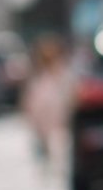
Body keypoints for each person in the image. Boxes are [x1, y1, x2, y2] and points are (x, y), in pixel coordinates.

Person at [21, 35, 74, 179]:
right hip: (41, 113)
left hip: (56, 113)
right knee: (43, 143)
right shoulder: (37, 73)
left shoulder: (61, 72)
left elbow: (68, 93)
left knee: (59, 143)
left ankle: (58, 169)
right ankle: (47, 168)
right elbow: (29, 95)